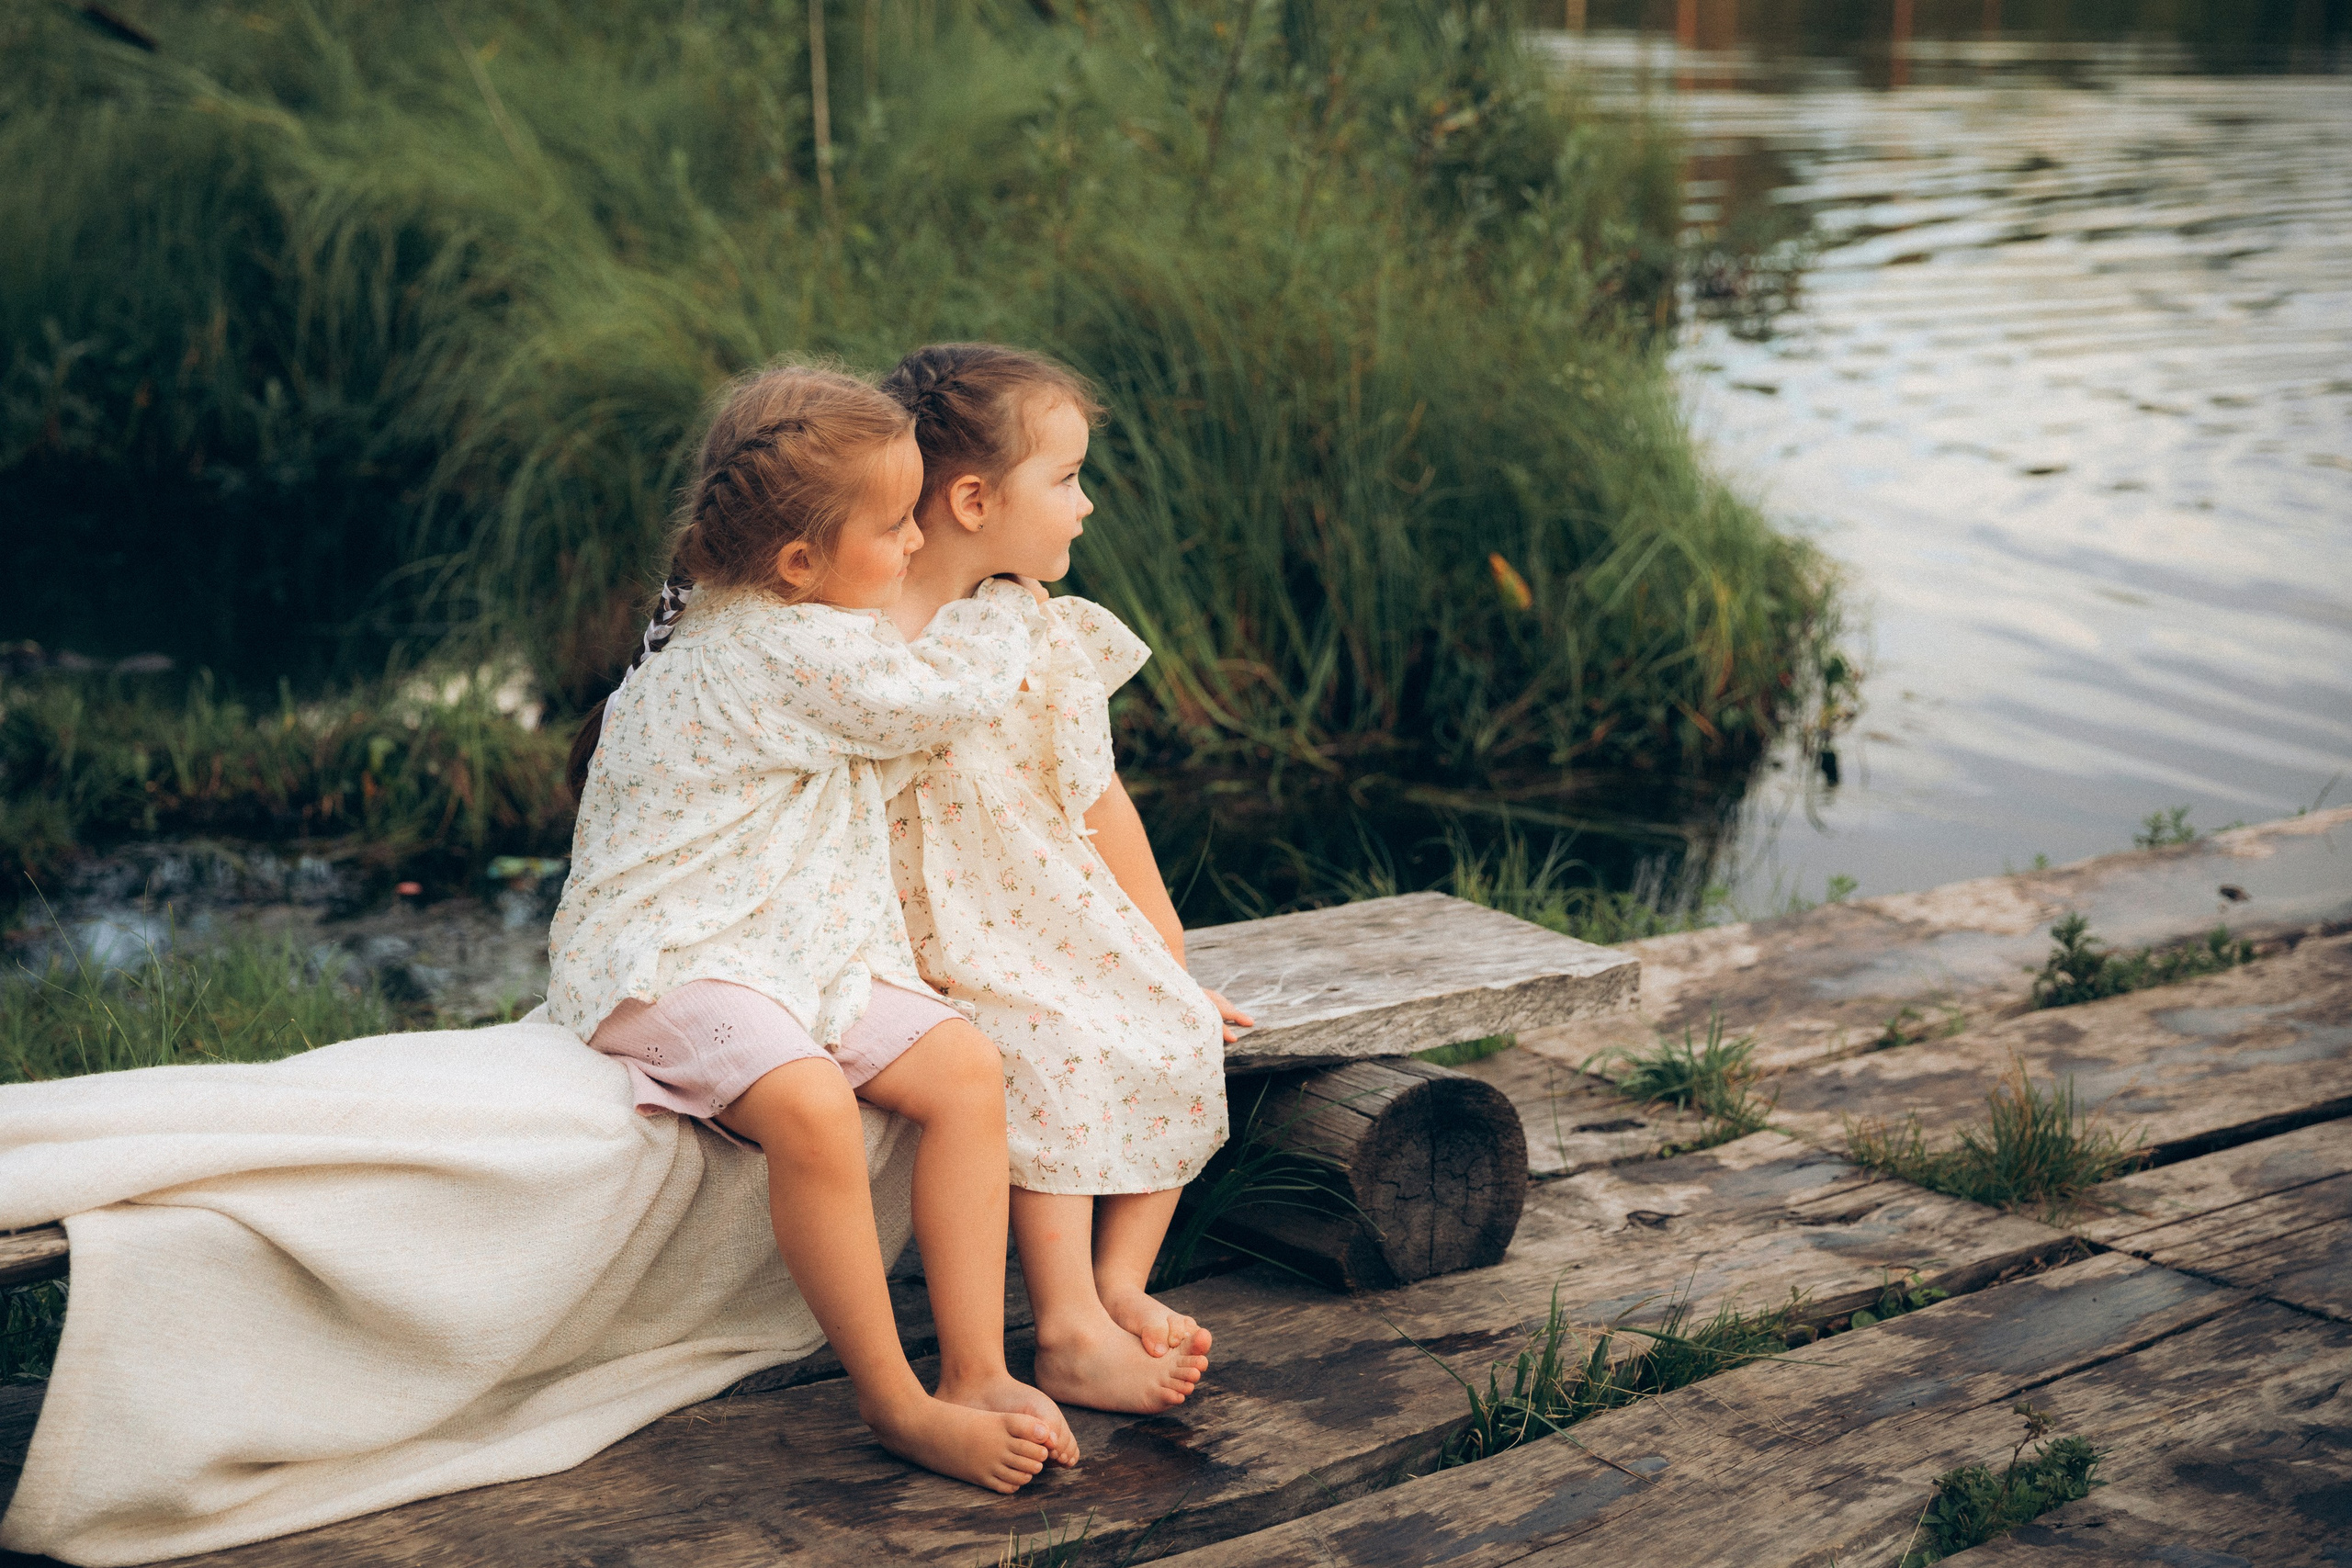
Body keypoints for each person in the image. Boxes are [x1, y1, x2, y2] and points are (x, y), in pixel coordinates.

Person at [552, 361, 1079, 1492]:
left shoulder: (765, 614)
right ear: (798, 561)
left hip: (783, 945)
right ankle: (893, 1399)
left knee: (964, 1070)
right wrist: (1000, 605)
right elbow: (943, 697)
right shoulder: (785, 648)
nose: (914, 542)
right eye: (893, 527)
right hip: (664, 959)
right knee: (807, 1103)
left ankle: (977, 1368)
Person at [878, 344, 1243, 1416]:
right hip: (936, 929)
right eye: (1068, 479)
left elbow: (1096, 795)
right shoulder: (869, 643)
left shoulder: (1034, 626)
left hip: (1043, 904)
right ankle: (1068, 1328)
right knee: (1049, 1040)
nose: (1086, 506)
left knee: (1174, 1021)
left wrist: (1162, 942)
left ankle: (1118, 1280)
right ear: (974, 500)